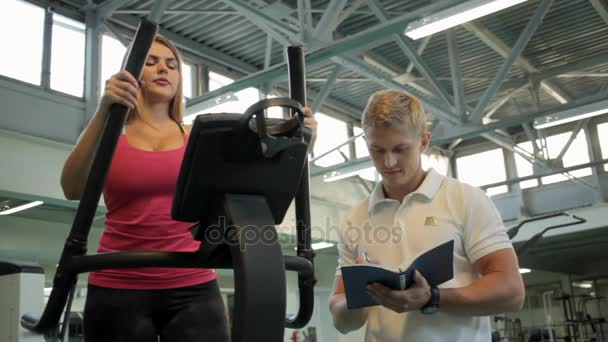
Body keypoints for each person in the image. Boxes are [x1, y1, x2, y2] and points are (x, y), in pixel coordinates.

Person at [60, 35, 317, 342]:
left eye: (171, 65)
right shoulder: (111, 136)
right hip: (119, 281)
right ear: (130, 74)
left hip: (192, 283)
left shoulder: (198, 137)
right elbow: (72, 188)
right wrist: (105, 110)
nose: (163, 69)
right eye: (151, 62)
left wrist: (300, 143)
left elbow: (252, 182)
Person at [329, 89, 525, 341]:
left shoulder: (465, 200)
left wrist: (433, 298)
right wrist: (359, 299)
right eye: (377, 150)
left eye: (400, 149)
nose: (388, 162)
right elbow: (341, 320)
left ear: (423, 141)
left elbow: (511, 292)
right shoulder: (354, 220)